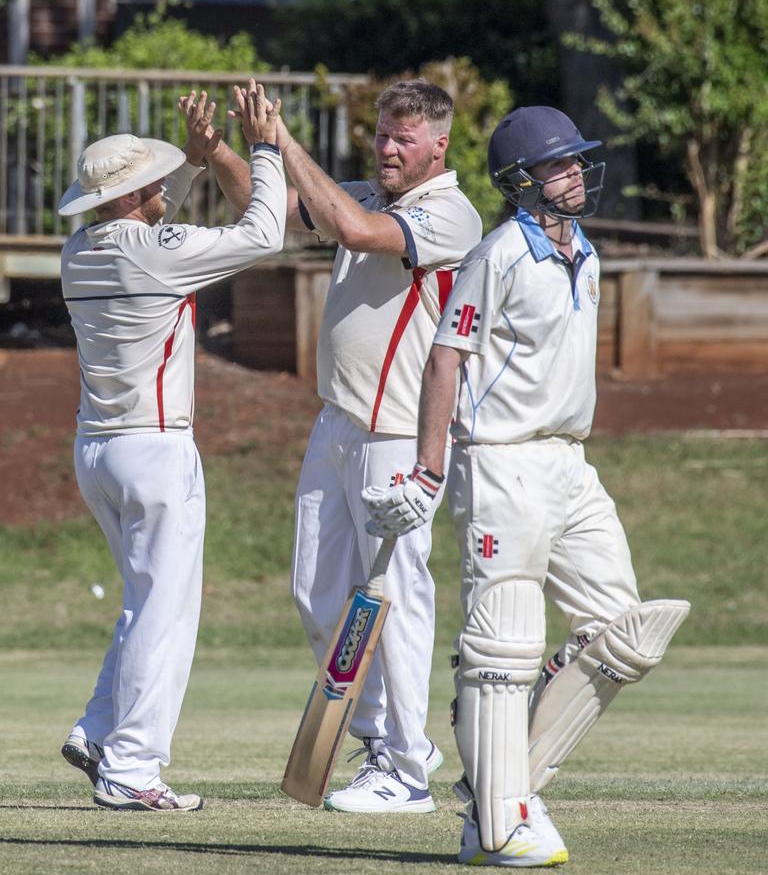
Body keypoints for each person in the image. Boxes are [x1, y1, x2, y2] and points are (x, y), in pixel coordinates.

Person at [363, 105, 691, 864]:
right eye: (560, 165)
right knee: (506, 643)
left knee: (624, 633)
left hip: (570, 463)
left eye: (578, 162)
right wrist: (429, 467)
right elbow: (445, 356)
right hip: (501, 461)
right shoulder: (499, 253)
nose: (576, 174)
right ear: (521, 181)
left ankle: (498, 788)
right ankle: (500, 822)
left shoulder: (589, 254)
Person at [195, 78, 483, 812]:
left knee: (398, 597)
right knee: (318, 594)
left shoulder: (451, 212)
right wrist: (224, 152)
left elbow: (354, 231)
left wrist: (281, 141)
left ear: (439, 145)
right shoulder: (364, 193)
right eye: (383, 134)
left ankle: (403, 771)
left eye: (404, 138)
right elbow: (274, 210)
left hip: (400, 433)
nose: (388, 147)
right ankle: (391, 743)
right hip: (337, 423)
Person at [59, 85, 286, 812]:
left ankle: (99, 730)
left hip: (95, 452)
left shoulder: (76, 250)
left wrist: (186, 164)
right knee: (167, 610)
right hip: (155, 452)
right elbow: (264, 235)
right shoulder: (156, 254)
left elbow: (150, 222)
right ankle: (131, 767)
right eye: (149, 181)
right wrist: (265, 151)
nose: (161, 187)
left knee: (143, 600)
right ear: (133, 195)